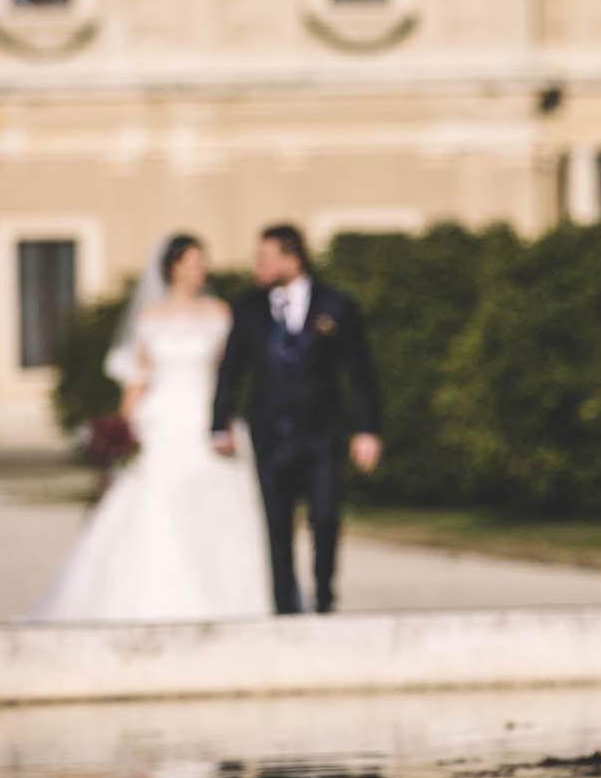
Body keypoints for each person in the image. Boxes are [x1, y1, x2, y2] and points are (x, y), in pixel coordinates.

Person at [30, 233, 274, 622]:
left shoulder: (220, 313)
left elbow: (229, 375)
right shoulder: (149, 317)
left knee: (214, 511)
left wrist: (224, 419)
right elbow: (137, 383)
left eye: (203, 262)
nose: (201, 270)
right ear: (173, 267)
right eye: (193, 262)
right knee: (157, 510)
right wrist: (121, 435)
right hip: (161, 421)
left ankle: (227, 602)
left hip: (206, 419)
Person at [212, 224, 382, 615]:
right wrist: (219, 420)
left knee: (325, 515)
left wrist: (367, 429)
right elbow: (232, 368)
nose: (259, 265)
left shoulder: (336, 305)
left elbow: (359, 372)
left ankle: (324, 596)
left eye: (267, 257)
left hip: (322, 430)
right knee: (276, 522)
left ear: (293, 258)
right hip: (269, 431)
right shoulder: (249, 308)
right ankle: (284, 605)